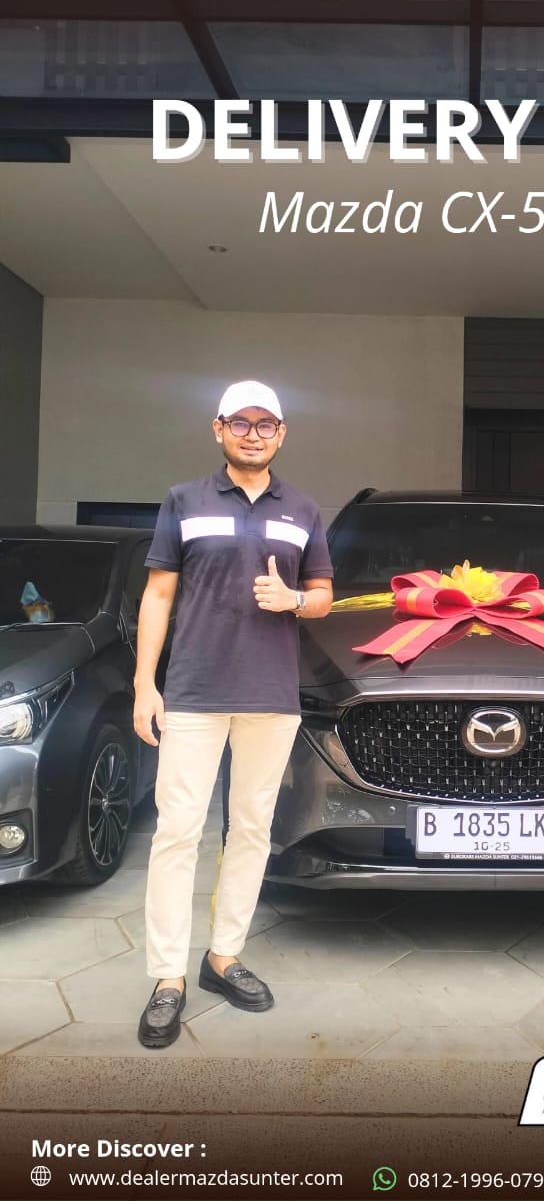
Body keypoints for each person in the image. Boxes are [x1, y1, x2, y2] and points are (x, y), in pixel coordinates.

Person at [133, 381, 333, 1048]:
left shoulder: (303, 510)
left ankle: (223, 958)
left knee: (250, 830)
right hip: (193, 692)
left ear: (282, 433)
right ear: (218, 429)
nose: (253, 434)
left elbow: (324, 596)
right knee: (177, 833)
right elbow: (158, 595)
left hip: (270, 696)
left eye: (265, 423)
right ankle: (167, 977)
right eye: (240, 423)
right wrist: (144, 683)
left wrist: (292, 600)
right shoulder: (183, 501)